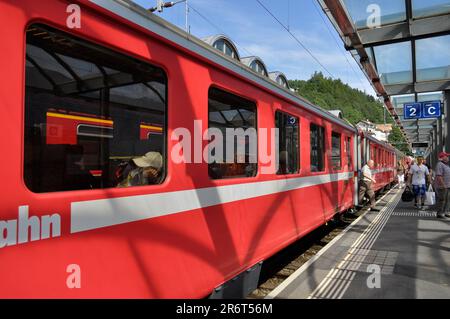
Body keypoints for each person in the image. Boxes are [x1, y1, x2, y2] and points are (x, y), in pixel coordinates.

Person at [434, 152, 450, 219]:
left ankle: (446, 212)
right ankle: (440, 213)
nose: (448, 157)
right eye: (446, 156)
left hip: (448, 185)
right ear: (443, 157)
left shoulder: (446, 165)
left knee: (447, 199)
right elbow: (439, 176)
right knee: (442, 200)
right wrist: (443, 185)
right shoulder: (440, 164)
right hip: (442, 186)